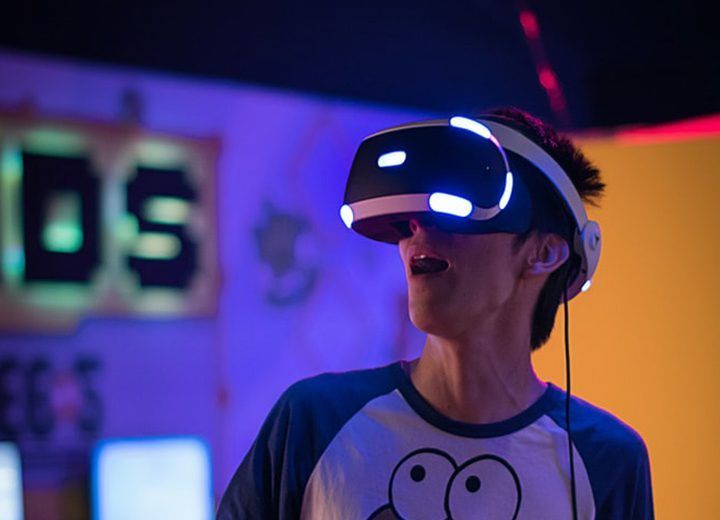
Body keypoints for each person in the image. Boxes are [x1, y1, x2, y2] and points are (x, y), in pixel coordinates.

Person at [217, 108, 654, 519]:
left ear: (544, 253)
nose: (418, 229)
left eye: (453, 211)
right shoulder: (313, 421)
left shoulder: (607, 459)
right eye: (411, 218)